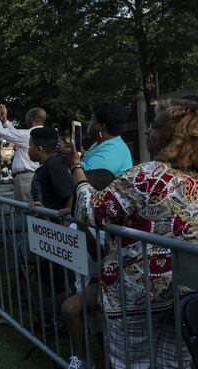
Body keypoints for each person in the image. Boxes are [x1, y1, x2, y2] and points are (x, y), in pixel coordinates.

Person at [68, 99, 198, 368]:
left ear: (167, 136)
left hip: (136, 297)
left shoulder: (147, 175)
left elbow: (90, 211)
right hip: (186, 296)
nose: (148, 132)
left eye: (152, 126)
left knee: (132, 364)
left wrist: (76, 170)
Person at [61, 169, 115, 369]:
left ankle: (83, 360)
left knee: (73, 309)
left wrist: (83, 228)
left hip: (98, 281)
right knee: (95, 326)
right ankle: (90, 359)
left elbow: (98, 255)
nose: (77, 191)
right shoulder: (80, 213)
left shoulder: (103, 222)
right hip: (81, 280)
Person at [0, 104, 46, 202]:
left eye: (27, 116)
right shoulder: (42, 133)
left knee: (25, 212)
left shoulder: (28, 134)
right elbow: (16, 135)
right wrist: (5, 121)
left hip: (26, 179)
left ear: (35, 120)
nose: (26, 118)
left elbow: (0, 132)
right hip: (34, 176)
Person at [77, 103, 133, 177]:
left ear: (101, 125)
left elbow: (86, 177)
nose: (88, 123)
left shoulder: (114, 149)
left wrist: (73, 160)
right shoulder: (99, 143)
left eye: (92, 119)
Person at [27, 127, 74, 212]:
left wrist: (66, 216)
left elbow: (70, 194)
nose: (28, 149)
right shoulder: (50, 165)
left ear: (39, 149)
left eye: (30, 145)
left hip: (55, 224)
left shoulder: (54, 165)